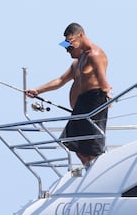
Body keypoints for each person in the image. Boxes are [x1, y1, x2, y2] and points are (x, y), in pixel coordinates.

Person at [25, 22, 112, 166]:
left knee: (91, 146)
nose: (67, 50)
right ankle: (89, 169)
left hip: (94, 102)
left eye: (70, 45)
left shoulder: (95, 54)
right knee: (73, 143)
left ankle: (98, 169)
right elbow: (60, 80)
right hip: (81, 105)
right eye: (66, 46)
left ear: (81, 36)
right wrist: (38, 90)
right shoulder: (78, 62)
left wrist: (108, 95)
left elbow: (103, 82)